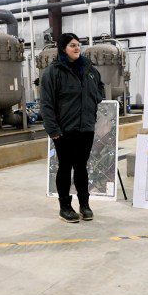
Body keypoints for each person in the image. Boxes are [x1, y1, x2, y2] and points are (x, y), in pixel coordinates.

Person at [40, 33, 105, 223]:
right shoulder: (53, 72)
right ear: (62, 49)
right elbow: (46, 104)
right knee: (65, 167)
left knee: (82, 167)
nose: (77, 48)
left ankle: (84, 205)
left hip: (86, 128)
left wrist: (94, 99)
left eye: (78, 45)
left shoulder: (89, 69)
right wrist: (53, 130)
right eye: (72, 45)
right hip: (64, 131)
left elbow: (100, 89)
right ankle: (65, 207)